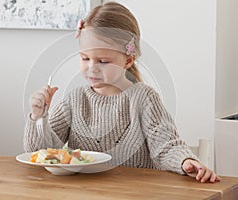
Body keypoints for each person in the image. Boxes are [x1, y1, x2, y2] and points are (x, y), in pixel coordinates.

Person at [24, 2, 220, 183]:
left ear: (128, 60)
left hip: (135, 192)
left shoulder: (144, 99)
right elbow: (40, 152)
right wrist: (38, 117)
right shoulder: (75, 99)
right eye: (85, 58)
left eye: (103, 61)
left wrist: (184, 160)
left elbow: (166, 146)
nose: (92, 68)